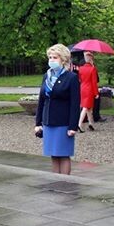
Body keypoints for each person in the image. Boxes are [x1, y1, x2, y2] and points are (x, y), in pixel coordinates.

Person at [34, 44, 80, 175]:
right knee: (53, 154)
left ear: (63, 59)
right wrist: (38, 123)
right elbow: (41, 100)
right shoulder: (46, 76)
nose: (51, 60)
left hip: (63, 123)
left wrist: (73, 126)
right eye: (50, 57)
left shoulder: (71, 77)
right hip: (48, 122)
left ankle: (65, 183)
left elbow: (75, 104)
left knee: (63, 154)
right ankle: (55, 182)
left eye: (55, 57)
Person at [77, 51, 99, 132]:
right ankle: (79, 124)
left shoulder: (81, 68)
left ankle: (90, 124)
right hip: (89, 89)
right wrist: (96, 93)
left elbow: (80, 79)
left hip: (82, 88)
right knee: (86, 107)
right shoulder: (93, 69)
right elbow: (94, 82)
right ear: (91, 59)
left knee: (88, 107)